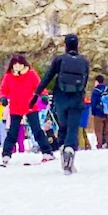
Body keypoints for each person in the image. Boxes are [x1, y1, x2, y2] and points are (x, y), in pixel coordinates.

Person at [35, 34, 92, 175]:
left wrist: (36, 94)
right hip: (77, 99)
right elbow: (84, 82)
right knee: (73, 128)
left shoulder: (59, 60)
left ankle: (63, 154)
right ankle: (70, 150)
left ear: (65, 45)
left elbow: (47, 77)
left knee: (63, 127)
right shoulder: (84, 62)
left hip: (60, 98)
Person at [0, 54, 54, 166]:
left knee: (37, 130)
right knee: (12, 132)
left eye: (20, 64)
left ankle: (47, 152)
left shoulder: (31, 74)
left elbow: (40, 86)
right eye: (15, 64)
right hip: (15, 107)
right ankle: (6, 154)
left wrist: (43, 96)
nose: (18, 66)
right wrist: (3, 98)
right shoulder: (8, 76)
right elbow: (3, 89)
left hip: (30, 106)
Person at [90, 75, 108, 149]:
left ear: (97, 81)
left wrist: (93, 112)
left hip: (98, 114)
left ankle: (100, 145)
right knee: (107, 131)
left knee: (99, 131)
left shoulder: (95, 91)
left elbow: (93, 103)